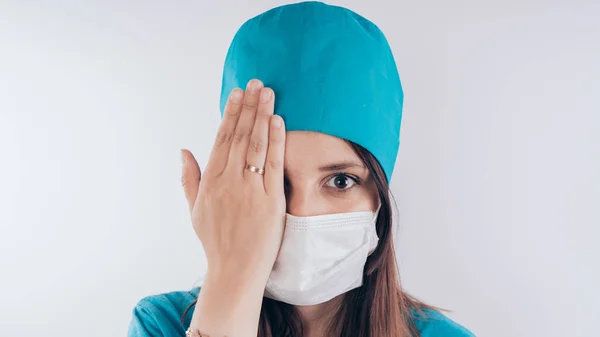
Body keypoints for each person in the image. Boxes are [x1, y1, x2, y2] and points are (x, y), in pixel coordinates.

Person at [128, 2, 475, 336]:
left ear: (378, 198)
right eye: (274, 179)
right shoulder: (163, 325)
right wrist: (230, 279)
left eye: (341, 181)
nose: (302, 214)